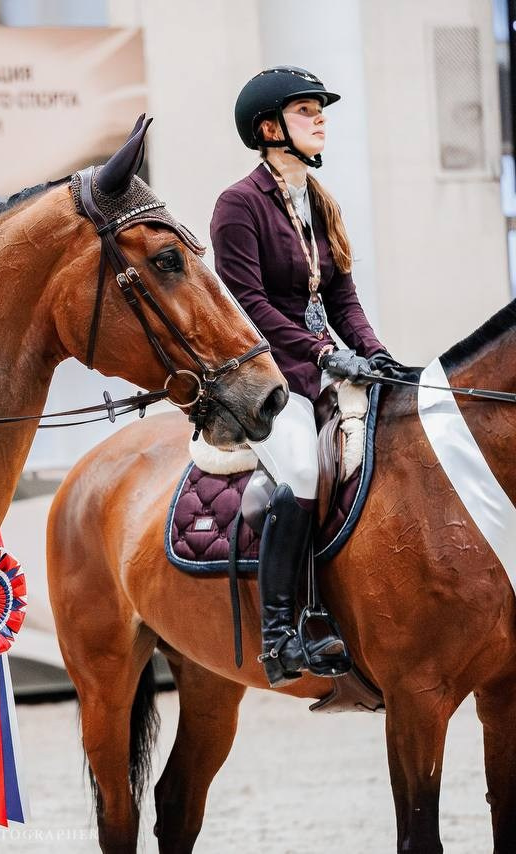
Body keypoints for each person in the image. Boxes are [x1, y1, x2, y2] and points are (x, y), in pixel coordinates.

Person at [211, 65, 403, 686]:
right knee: (299, 469)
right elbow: (248, 304)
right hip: (269, 378)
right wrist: (322, 355)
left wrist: (374, 353)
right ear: (269, 129)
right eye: (304, 110)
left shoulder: (319, 202)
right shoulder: (238, 205)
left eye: (320, 109)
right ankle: (278, 639)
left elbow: (342, 298)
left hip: (323, 366)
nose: (320, 118)